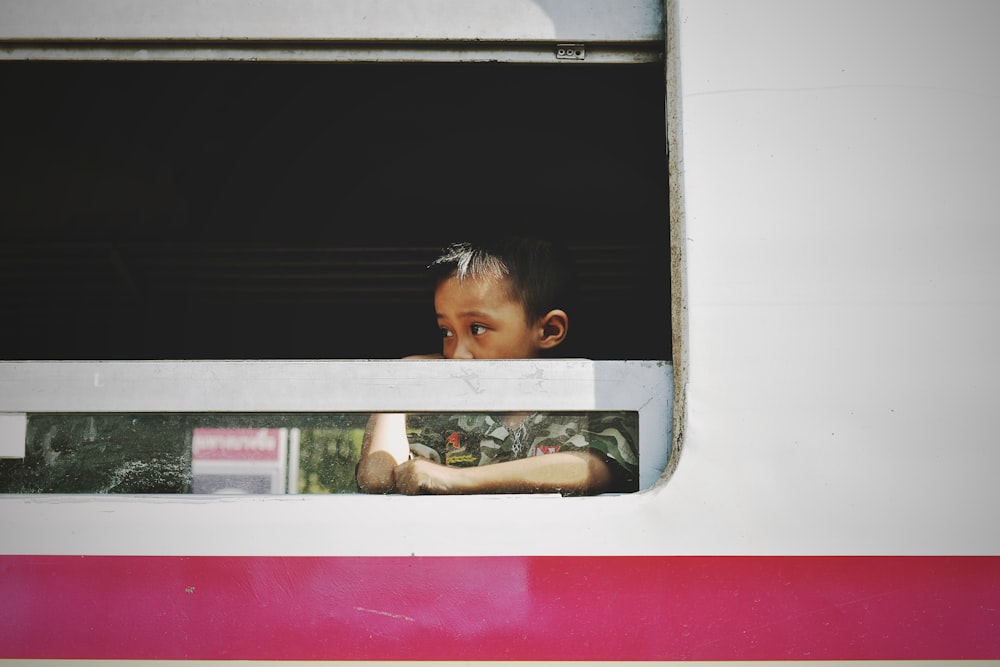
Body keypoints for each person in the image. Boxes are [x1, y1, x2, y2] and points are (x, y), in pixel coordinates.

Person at [356, 238, 638, 495]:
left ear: (549, 330)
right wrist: (398, 385)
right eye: (446, 332)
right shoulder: (441, 417)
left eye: (477, 328)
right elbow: (379, 480)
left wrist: (453, 479)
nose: (457, 354)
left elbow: (588, 468)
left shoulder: (590, 405)